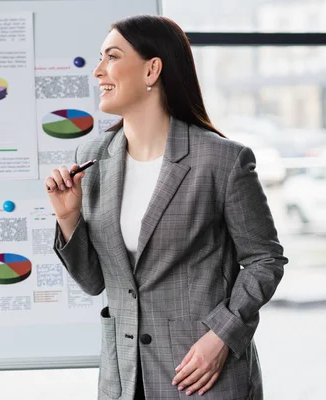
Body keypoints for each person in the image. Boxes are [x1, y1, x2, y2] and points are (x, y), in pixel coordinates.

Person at [45, 15, 288, 400]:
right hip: (124, 380)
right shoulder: (91, 157)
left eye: (111, 56)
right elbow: (96, 283)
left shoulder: (221, 160)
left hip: (204, 375)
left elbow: (265, 260)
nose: (98, 71)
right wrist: (68, 216)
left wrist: (222, 335)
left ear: (152, 69)